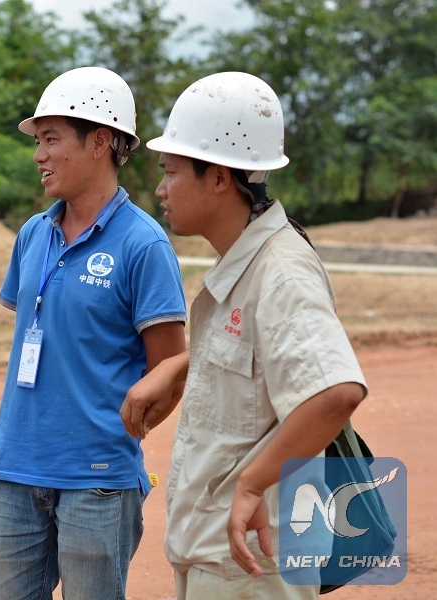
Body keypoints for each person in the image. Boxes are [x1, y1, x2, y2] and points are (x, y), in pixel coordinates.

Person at [128, 71, 368, 599]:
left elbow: (336, 392)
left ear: (218, 177)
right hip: (220, 557)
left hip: (252, 565)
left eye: (170, 172)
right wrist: (179, 365)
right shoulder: (245, 264)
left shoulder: (279, 272)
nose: (160, 189)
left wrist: (254, 483)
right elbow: (256, 358)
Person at [0, 66, 188, 599]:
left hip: (99, 483)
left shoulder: (144, 245)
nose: (38, 154)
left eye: (51, 139)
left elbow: (170, 369)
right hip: (13, 472)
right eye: (38, 141)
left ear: (99, 142)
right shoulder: (33, 234)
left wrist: (116, 438)